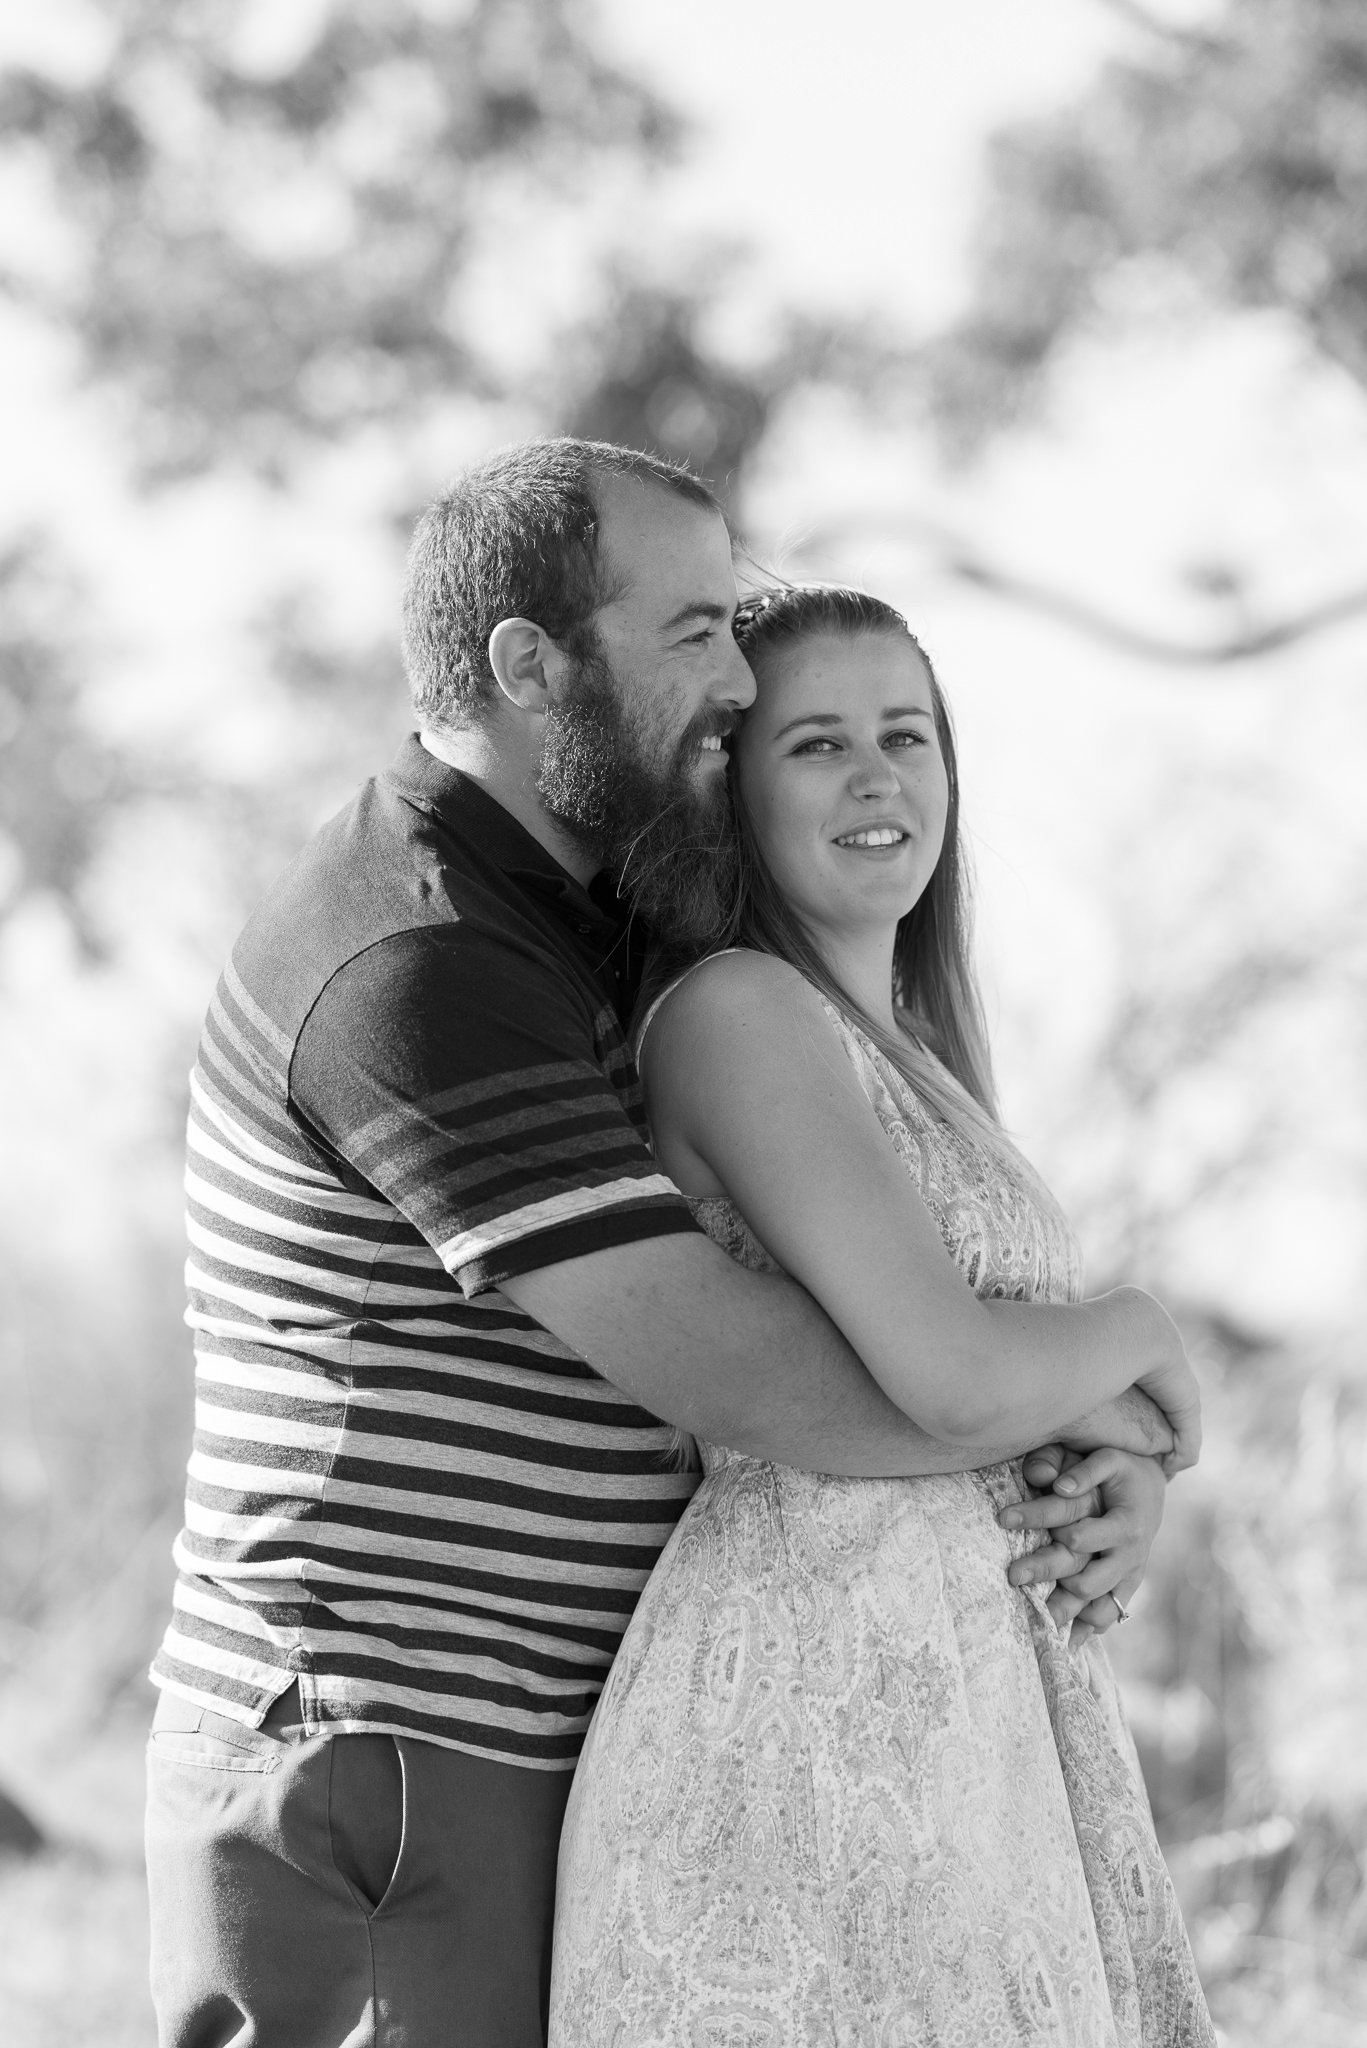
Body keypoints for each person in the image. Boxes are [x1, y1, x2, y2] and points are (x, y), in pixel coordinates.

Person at [144, 442, 1190, 2048]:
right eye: (694, 629)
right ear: (526, 663)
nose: (733, 677)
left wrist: (1090, 1455)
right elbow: (745, 1372)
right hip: (387, 1751)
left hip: (544, 1727)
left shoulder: (582, 917)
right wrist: (1097, 1387)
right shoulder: (417, 956)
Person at [550, 585, 1215, 2046]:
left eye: (908, 735)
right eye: (817, 744)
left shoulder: (913, 1055)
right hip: (805, 1727)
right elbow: (960, 1380)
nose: (876, 777)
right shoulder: (739, 1012)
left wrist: (1126, 1478)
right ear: (732, 791)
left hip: (983, 1735)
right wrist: (1145, 1336)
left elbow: (995, 1399)